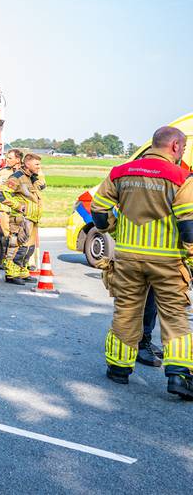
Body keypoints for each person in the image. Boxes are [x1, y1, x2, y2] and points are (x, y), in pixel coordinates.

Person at [91, 125, 193, 400]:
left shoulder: (120, 172)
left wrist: (114, 229)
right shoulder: (182, 177)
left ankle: (118, 368)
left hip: (127, 258)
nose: (182, 153)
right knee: (174, 317)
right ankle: (179, 376)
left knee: (126, 311)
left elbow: (98, 210)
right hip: (167, 261)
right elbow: (188, 225)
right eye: (182, 148)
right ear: (174, 146)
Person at [0, 153, 44, 284]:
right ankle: (11, 274)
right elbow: (2, 193)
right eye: (37, 164)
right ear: (27, 164)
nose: (39, 167)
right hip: (21, 219)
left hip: (32, 219)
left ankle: (22, 272)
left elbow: (43, 185)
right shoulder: (17, 177)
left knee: (28, 248)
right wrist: (18, 206)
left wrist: (38, 172)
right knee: (16, 246)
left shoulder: (32, 178)